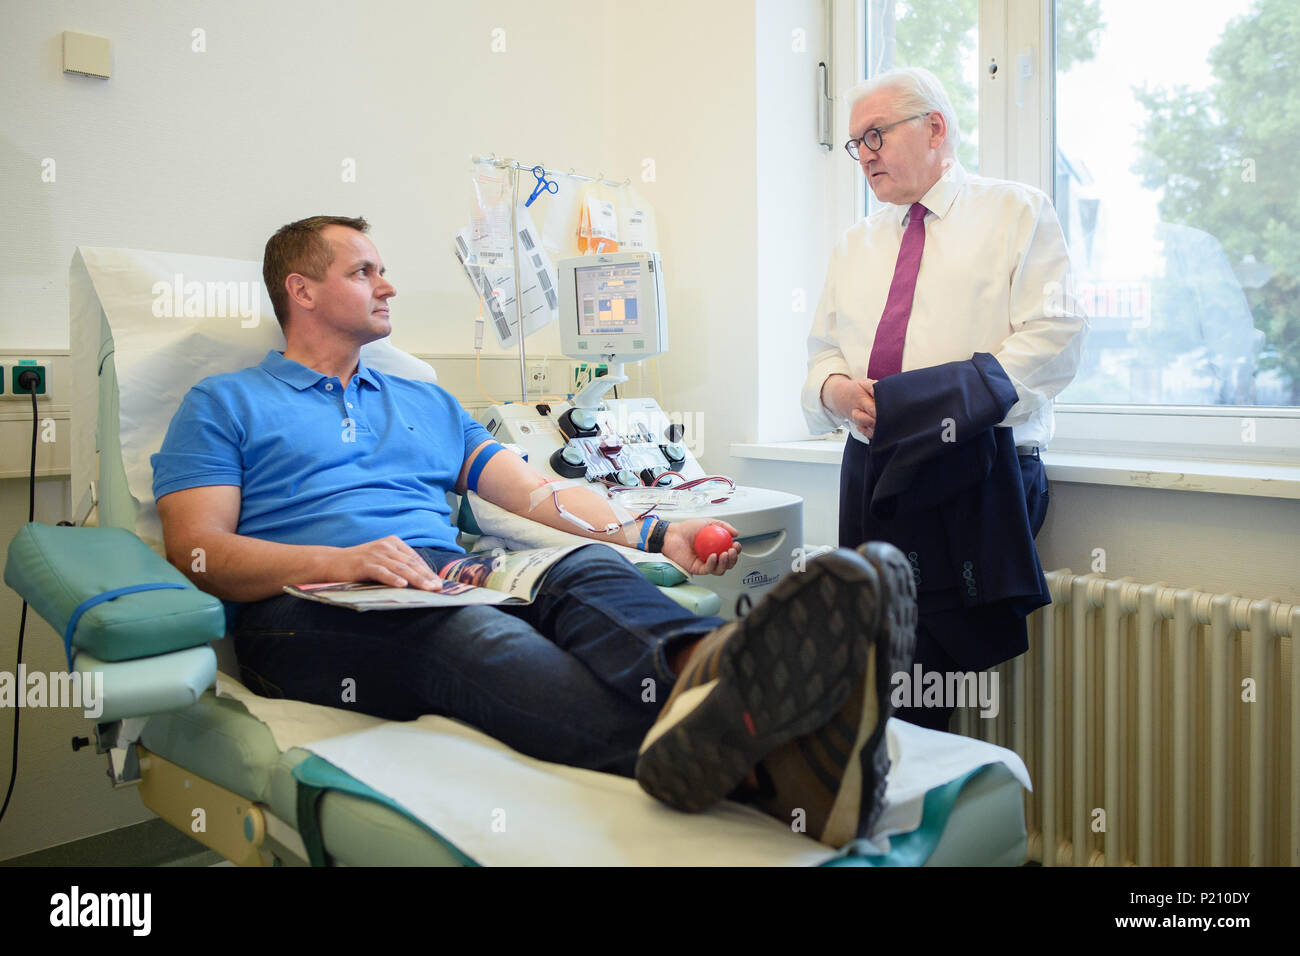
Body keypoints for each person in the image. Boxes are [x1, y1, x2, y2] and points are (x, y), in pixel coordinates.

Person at [151, 215, 916, 847]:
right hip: (305, 610)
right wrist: (341, 557)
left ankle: (706, 672)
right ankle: (771, 758)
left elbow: (541, 492)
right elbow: (198, 552)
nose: (388, 285)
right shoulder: (225, 404)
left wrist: (654, 534)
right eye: (364, 272)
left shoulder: (423, 401)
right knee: (470, 640)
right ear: (301, 290)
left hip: (444, 576)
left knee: (578, 571)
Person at [802, 68, 1088, 732]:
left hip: (975, 473)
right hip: (874, 475)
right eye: (855, 143)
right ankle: (881, 814)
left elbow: (1057, 337)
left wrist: (926, 403)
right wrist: (837, 391)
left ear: (935, 128)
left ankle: (931, 819)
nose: (864, 153)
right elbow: (821, 355)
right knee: (880, 664)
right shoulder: (854, 244)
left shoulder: (1016, 211)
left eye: (876, 134)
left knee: (935, 675)